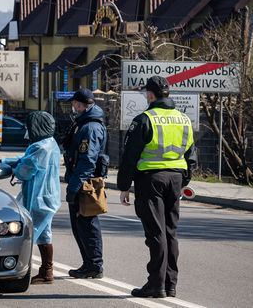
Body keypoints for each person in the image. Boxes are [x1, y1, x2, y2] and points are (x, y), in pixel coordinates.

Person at [117, 76, 196, 299]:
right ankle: (170, 284)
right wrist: (184, 181)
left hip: (151, 180)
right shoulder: (183, 119)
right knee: (170, 233)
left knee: (156, 234)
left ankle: (156, 285)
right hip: (175, 180)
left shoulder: (145, 119)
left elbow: (130, 156)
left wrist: (124, 186)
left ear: (150, 95)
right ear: (167, 93)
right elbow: (191, 154)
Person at [0, 111, 61, 284]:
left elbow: (24, 170)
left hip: (38, 200)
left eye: (29, 127)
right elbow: (24, 159)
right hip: (48, 198)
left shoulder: (39, 148)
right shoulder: (49, 143)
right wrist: (3, 160)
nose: (26, 132)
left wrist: (10, 168)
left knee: (24, 237)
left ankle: (16, 273)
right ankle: (46, 271)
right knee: (44, 235)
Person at [63, 88, 107, 279]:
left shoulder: (90, 127)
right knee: (79, 226)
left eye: (75, 102)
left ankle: (94, 266)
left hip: (86, 183)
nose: (73, 105)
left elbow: (87, 161)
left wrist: (74, 186)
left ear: (83, 104)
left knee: (87, 226)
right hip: (82, 180)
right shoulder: (83, 123)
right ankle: (88, 264)